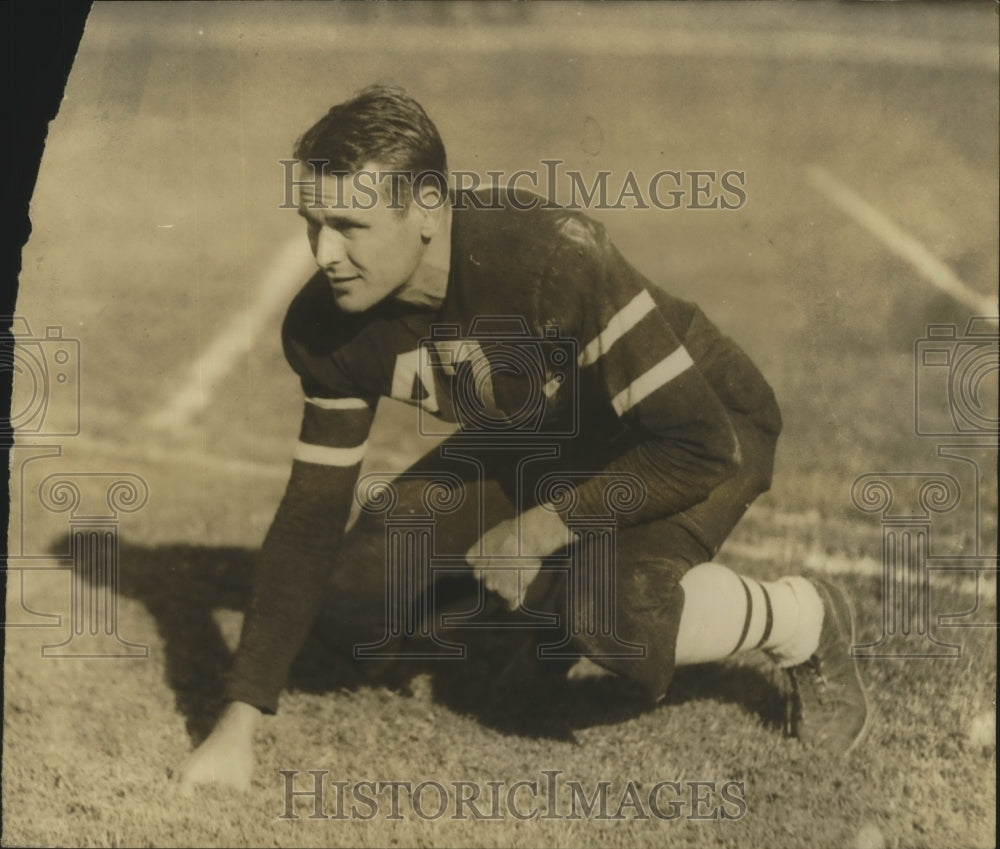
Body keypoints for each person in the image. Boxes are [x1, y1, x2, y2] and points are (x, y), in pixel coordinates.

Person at [177, 85, 868, 794]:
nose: (324, 253)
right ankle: (536, 623)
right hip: (551, 435)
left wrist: (541, 527)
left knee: (612, 611)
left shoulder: (550, 258)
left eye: (350, 224)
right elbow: (309, 517)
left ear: (426, 211)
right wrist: (237, 722)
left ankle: (803, 618)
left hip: (695, 423)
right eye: (311, 222)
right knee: (357, 595)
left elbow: (695, 443)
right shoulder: (325, 326)